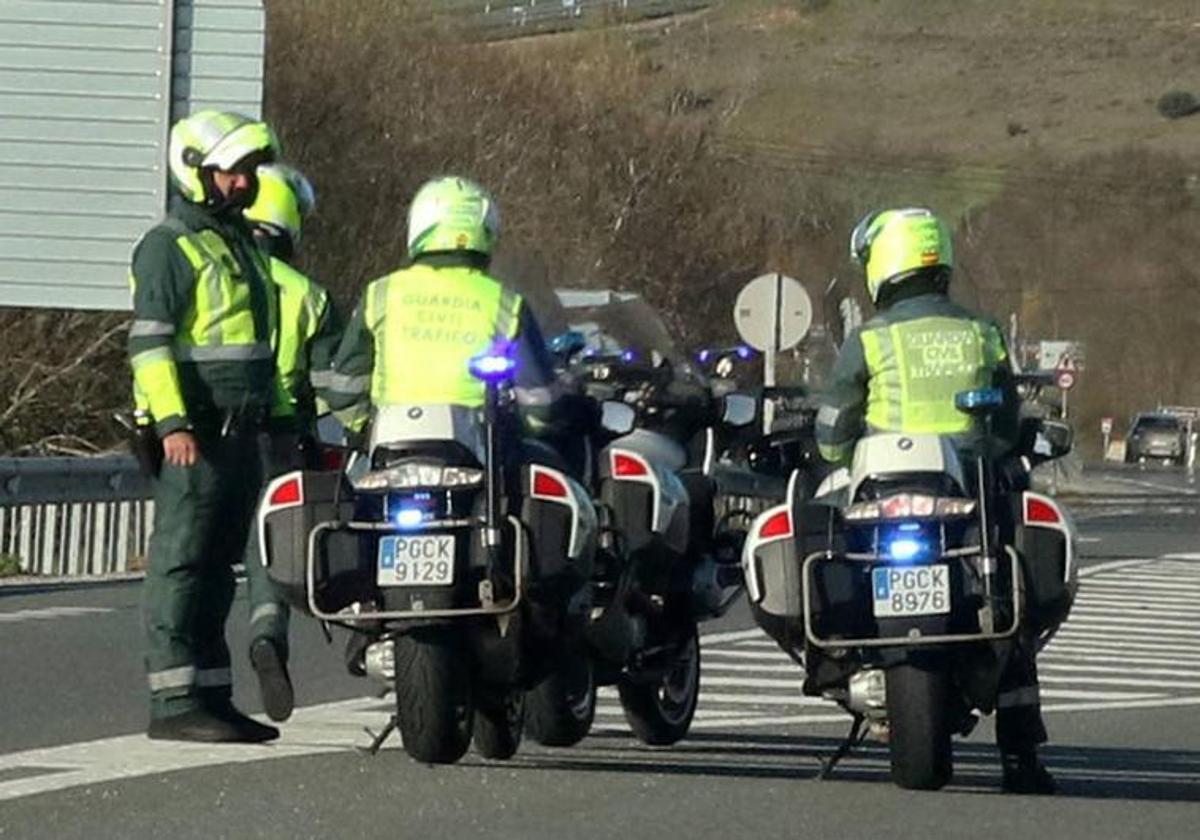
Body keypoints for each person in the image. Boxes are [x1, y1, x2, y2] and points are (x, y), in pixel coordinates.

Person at [815, 207, 1056, 794]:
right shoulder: (981, 331)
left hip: (884, 492)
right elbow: (1005, 417)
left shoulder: (870, 338)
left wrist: (832, 455)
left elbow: (833, 429)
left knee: (836, 554)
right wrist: (992, 449)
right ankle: (1020, 755)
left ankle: (838, 661)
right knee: (1012, 605)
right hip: (967, 491)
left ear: (881, 264)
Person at [128, 110, 291, 743]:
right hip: (194, 432)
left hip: (241, 434)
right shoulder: (169, 245)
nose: (244, 183)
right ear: (195, 171)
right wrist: (172, 422)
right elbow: (149, 346)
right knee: (182, 563)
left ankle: (212, 696)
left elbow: (259, 347)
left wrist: (277, 421)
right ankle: (173, 703)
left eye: (249, 172)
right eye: (231, 172)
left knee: (220, 567)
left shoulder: (237, 243)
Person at [239, 162, 343, 722]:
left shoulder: (218, 279)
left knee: (196, 556)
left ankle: (190, 675)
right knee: (267, 546)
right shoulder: (311, 297)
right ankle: (266, 634)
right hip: (282, 436)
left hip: (210, 433)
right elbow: (330, 391)